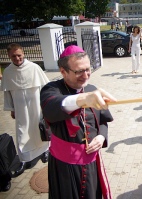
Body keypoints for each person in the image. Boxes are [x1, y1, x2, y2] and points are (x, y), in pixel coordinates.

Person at [40, 45, 116, 199]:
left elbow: (103, 121)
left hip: (91, 163)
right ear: (63, 71)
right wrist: (83, 99)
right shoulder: (50, 89)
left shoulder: (91, 89)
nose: (86, 75)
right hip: (64, 168)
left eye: (88, 69)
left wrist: (101, 136)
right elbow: (54, 106)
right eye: (79, 71)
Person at [0, 43, 49, 177]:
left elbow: (44, 87)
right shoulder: (8, 71)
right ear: (9, 56)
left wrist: (45, 104)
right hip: (20, 107)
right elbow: (7, 92)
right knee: (22, 132)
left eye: (19, 55)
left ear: (23, 54)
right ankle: (23, 159)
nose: (17, 58)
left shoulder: (34, 67)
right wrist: (11, 108)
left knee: (39, 128)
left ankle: (45, 151)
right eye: (13, 56)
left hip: (36, 105)